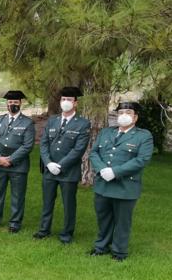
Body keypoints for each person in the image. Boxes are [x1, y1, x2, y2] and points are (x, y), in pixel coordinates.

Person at [88, 102, 153, 261]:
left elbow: (141, 160)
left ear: (135, 117)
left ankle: (119, 251)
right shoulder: (106, 132)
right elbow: (94, 152)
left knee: (122, 221)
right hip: (103, 184)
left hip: (125, 187)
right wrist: (102, 169)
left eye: (128, 112)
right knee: (103, 218)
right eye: (121, 112)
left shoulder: (143, 136)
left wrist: (115, 172)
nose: (124, 115)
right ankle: (101, 246)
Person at [33, 86, 91, 244]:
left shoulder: (83, 124)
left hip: (68, 171)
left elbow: (78, 149)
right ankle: (44, 229)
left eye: (69, 100)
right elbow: (43, 143)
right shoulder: (52, 120)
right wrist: (48, 163)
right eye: (63, 99)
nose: (66, 102)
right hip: (49, 169)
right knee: (47, 201)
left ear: (76, 103)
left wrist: (60, 165)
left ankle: (67, 233)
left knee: (69, 204)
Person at [0, 90, 35, 233]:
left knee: (17, 196)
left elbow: (27, 146)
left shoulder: (27, 122)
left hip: (18, 166)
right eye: (10, 102)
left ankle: (15, 223)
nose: (13, 105)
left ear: (20, 103)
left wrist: (11, 160)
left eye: (15, 102)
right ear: (7, 104)